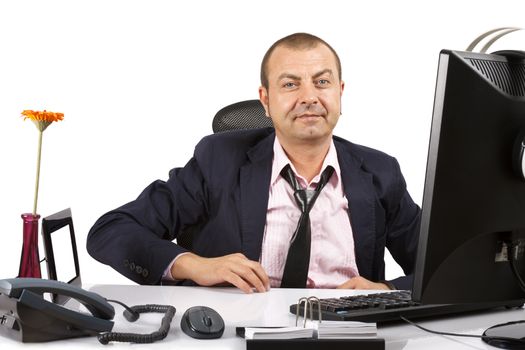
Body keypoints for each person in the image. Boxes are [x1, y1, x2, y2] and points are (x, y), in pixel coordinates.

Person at [87, 33, 421, 294]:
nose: (309, 96)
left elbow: (443, 267)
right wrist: (193, 265)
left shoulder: (380, 172)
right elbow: (111, 231)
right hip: (240, 334)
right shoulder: (217, 161)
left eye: (322, 82)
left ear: (340, 92)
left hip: (350, 336)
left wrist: (388, 290)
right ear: (266, 100)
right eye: (290, 84)